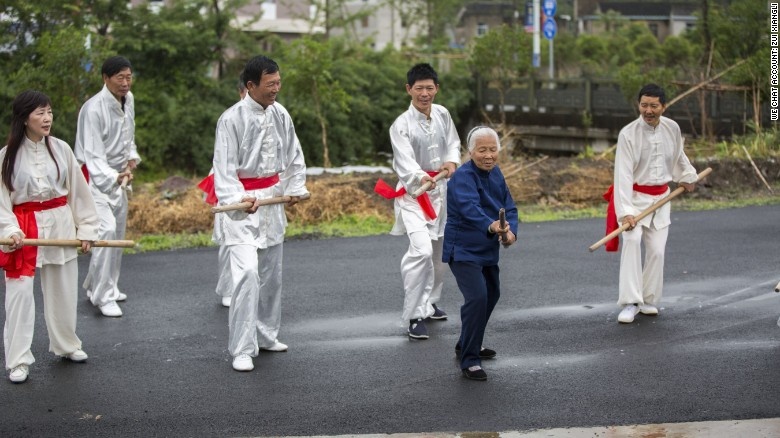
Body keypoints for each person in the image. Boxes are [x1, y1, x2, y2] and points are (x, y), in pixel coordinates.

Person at [205, 55, 308, 372]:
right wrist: (239, 198)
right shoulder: (230, 119)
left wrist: (294, 187)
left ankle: (266, 335)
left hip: (272, 202)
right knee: (247, 275)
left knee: (271, 276)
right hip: (242, 206)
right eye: (270, 84)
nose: (276, 89)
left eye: (278, 82)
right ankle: (241, 348)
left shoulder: (281, 114)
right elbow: (223, 168)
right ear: (250, 85)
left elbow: (294, 155)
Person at [0, 90, 100, 383]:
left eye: (49, 112)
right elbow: (2, 202)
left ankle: (67, 344)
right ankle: (18, 360)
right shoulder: (6, 157)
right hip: (23, 231)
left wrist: (87, 229)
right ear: (24, 118)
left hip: (60, 225)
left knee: (63, 289)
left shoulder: (61, 149)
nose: (47, 118)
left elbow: (79, 192)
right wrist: (9, 231)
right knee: (19, 296)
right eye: (40, 113)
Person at [606, 83, 698, 324]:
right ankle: (630, 302)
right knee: (632, 241)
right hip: (634, 199)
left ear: (663, 107)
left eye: (653, 106)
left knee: (657, 251)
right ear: (639, 105)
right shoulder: (628, 134)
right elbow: (622, 175)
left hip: (662, 199)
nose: (648, 110)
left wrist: (688, 176)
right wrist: (625, 212)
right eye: (644, 105)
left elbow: (679, 156)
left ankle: (647, 299)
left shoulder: (672, 128)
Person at [381, 63, 461, 340]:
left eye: (429, 88)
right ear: (409, 90)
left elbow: (453, 143)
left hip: (441, 193)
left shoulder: (442, 114)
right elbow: (404, 163)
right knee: (422, 251)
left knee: (439, 254)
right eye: (419, 88)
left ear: (436, 88)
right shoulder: (400, 125)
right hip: (414, 195)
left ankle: (430, 302)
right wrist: (421, 178)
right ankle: (414, 315)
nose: (424, 93)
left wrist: (451, 161)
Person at [443, 126, 517, 381]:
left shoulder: (497, 173)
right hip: (462, 248)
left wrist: (511, 232)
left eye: (493, 149)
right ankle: (470, 359)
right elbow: (469, 208)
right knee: (477, 298)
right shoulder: (461, 177)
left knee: (492, 294)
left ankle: (467, 341)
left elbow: (510, 207)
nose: (488, 155)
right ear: (470, 151)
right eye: (482, 150)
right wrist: (492, 226)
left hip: (486, 248)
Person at [75, 55, 141, 318]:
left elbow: (128, 134)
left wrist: (131, 157)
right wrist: (112, 176)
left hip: (120, 176)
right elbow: (92, 154)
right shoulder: (93, 109)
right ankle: (102, 297)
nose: (125, 83)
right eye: (120, 78)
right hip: (95, 178)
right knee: (106, 231)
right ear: (106, 78)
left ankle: (106, 286)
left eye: (128, 77)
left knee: (117, 232)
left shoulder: (129, 99)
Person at [202, 79, 249, 308]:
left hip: (256, 189)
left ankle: (244, 286)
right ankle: (229, 289)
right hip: (230, 185)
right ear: (242, 91)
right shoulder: (230, 118)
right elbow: (222, 159)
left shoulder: (271, 116)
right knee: (229, 239)